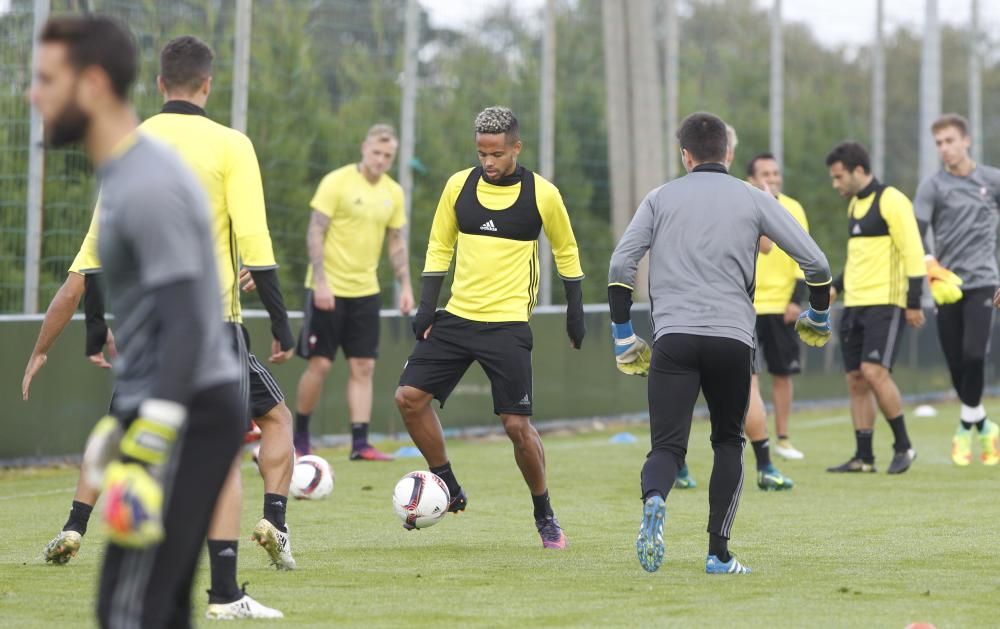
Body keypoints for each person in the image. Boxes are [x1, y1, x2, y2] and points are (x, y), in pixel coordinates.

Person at [25, 34, 289, 619]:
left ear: (92, 85)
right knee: (156, 605)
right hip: (186, 380)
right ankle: (225, 590)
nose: (30, 94)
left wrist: (155, 420)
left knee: (130, 606)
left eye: (45, 79)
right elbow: (97, 269)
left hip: (183, 386)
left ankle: (223, 586)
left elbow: (181, 309)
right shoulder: (134, 168)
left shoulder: (147, 174)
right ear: (205, 84)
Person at [608, 112, 832, 574]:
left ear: (685, 155)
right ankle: (718, 554)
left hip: (673, 339)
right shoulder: (754, 197)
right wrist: (819, 313)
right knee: (728, 442)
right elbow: (816, 262)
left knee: (666, 448)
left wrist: (622, 333)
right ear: (728, 155)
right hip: (732, 340)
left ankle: (655, 499)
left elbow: (619, 267)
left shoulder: (659, 198)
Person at [394, 106, 585, 549]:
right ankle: (448, 486)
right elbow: (439, 245)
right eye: (482, 153)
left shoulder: (543, 194)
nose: (489, 162)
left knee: (517, 427)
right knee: (408, 398)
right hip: (457, 317)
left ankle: (545, 516)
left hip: (508, 325)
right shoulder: (458, 186)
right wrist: (427, 307)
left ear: (516, 147)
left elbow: (567, 251)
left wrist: (575, 311)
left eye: (497, 154)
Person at [673, 128, 794, 492]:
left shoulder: (674, 194)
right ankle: (764, 465)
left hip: (679, 308)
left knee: (678, 388)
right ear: (728, 153)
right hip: (731, 312)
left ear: (688, 155)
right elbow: (769, 246)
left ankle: (674, 465)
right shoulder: (745, 195)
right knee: (747, 387)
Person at [293, 124, 413, 460]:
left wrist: (405, 286)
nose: (381, 160)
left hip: (366, 291)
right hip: (327, 289)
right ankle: (300, 438)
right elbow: (315, 232)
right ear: (364, 148)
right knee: (320, 365)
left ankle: (360, 443)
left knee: (363, 367)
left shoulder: (394, 193)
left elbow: (396, 241)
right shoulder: (336, 181)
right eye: (376, 152)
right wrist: (320, 283)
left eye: (388, 155)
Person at [825, 141, 925, 475]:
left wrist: (913, 302)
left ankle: (904, 446)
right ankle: (863, 457)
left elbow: (913, 253)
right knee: (855, 378)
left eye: (839, 178)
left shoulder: (893, 200)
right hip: (855, 304)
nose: (835, 184)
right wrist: (836, 286)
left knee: (874, 372)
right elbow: (857, 259)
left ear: (858, 170)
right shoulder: (853, 205)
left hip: (886, 303)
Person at [914, 113, 1000, 466]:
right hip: (945, 285)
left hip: (983, 281)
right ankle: (983, 424)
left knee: (974, 355)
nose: (944, 148)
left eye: (949, 140)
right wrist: (930, 261)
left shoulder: (993, 180)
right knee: (955, 362)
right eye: (938, 143)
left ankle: (964, 428)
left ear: (966, 141)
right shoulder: (932, 186)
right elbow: (916, 229)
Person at [747, 152, 810, 461]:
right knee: (745, 377)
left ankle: (783, 438)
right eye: (765, 173)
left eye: (775, 172)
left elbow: (804, 254)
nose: (772, 178)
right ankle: (752, 438)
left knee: (782, 374)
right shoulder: (743, 205)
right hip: (746, 306)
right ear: (751, 179)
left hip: (780, 306)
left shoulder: (794, 208)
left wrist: (796, 300)